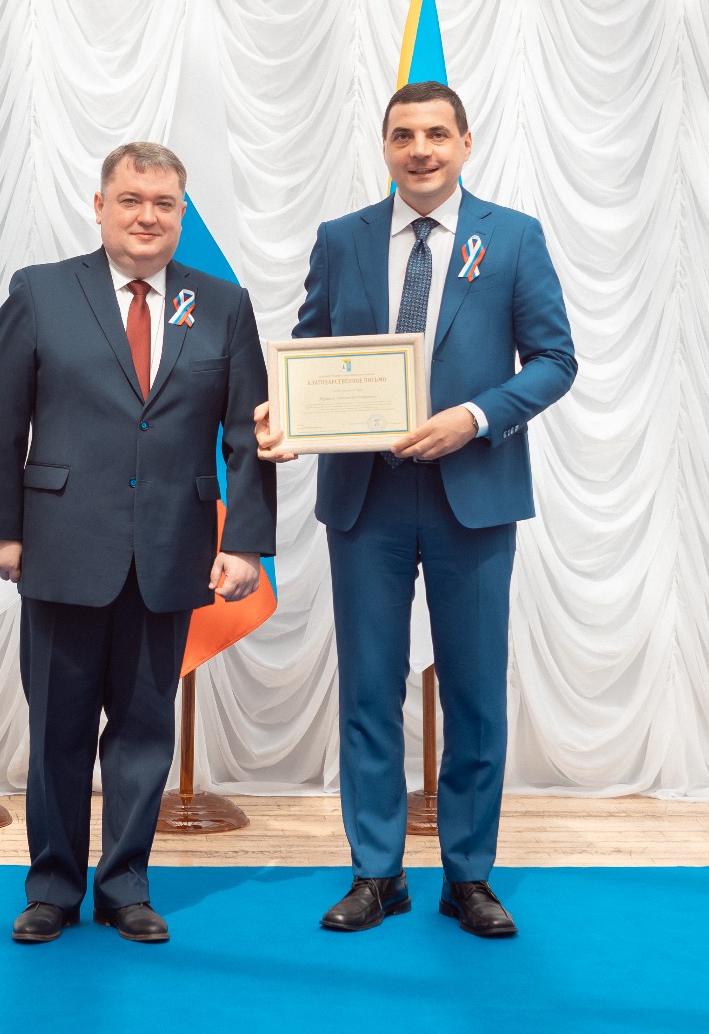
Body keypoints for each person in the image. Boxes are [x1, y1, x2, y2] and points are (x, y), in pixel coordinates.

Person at [256, 82, 576, 938]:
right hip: (367, 500)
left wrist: (473, 418)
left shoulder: (513, 237)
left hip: (475, 497)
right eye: (404, 135)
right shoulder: (342, 239)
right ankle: (377, 873)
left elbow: (555, 360)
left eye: (437, 134)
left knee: (475, 694)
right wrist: (287, 412)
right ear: (386, 147)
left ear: (466, 143)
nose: (421, 149)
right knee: (368, 688)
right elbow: (312, 349)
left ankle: (468, 876)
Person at [0, 141, 276, 945]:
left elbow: (246, 436)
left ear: (182, 213)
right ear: (100, 205)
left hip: (173, 551)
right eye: (132, 200)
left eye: (164, 203)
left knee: (144, 733)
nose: (147, 216)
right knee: (58, 731)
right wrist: (0, 527)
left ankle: (126, 887)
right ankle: (52, 888)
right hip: (61, 548)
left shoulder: (223, 304)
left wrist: (246, 543)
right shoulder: (40, 292)